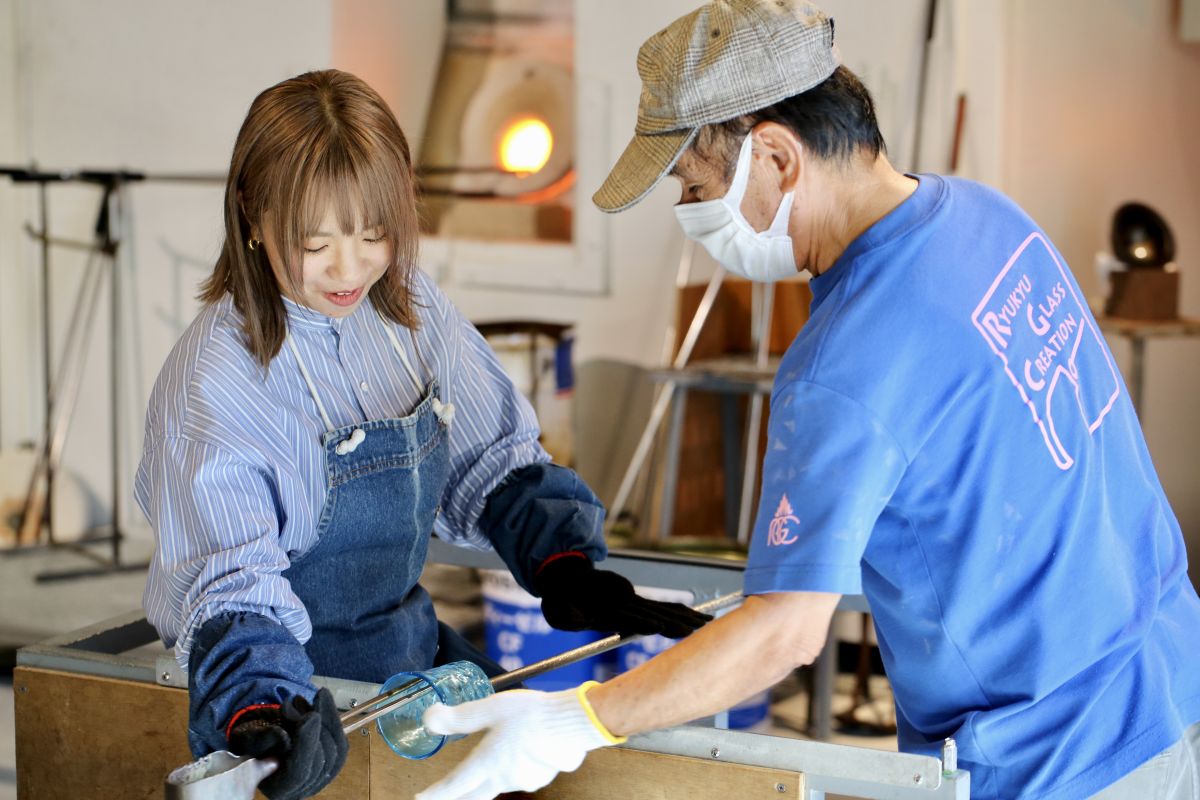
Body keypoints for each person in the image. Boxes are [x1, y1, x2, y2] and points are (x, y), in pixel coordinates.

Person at [414, 2, 1200, 799]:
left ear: (778, 157)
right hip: (1166, 682)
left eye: (695, 185)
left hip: (1054, 760)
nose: (689, 214)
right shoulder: (989, 217)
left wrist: (577, 719)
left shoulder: (844, 363)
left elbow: (784, 635)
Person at [136, 69, 709, 800]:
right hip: (300, 707)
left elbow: (489, 459)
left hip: (409, 666)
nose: (350, 269)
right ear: (252, 211)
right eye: (315, 242)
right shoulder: (214, 382)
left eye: (374, 233)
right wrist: (263, 712)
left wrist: (565, 564)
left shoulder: (405, 309)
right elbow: (228, 588)